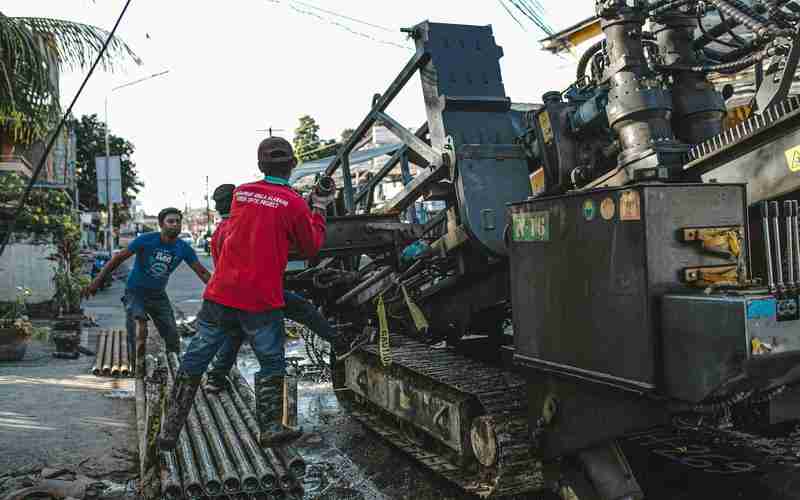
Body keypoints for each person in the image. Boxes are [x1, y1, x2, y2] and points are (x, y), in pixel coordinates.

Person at [158, 137, 335, 451]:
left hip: (220, 294)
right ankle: (271, 429)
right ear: (293, 164)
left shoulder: (241, 193)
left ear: (259, 165)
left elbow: (265, 210)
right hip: (260, 299)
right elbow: (309, 247)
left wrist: (297, 204)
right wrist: (318, 208)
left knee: (196, 358)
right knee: (271, 363)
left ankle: (169, 431)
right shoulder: (294, 203)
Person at [202, 182, 364, 394]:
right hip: (259, 291)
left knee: (235, 331)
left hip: (233, 293)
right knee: (303, 310)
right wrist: (317, 210)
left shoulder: (219, 233)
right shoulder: (240, 227)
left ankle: (215, 378)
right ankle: (340, 344)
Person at [83, 208, 212, 370]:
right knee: (139, 329)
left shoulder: (183, 248)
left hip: (158, 295)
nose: (175, 225)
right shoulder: (145, 240)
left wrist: (219, 293)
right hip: (135, 292)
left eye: (178, 221)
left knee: (172, 334)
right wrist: (97, 281)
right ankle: (137, 366)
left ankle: (174, 368)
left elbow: (201, 271)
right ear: (161, 225)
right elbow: (118, 258)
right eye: (170, 221)